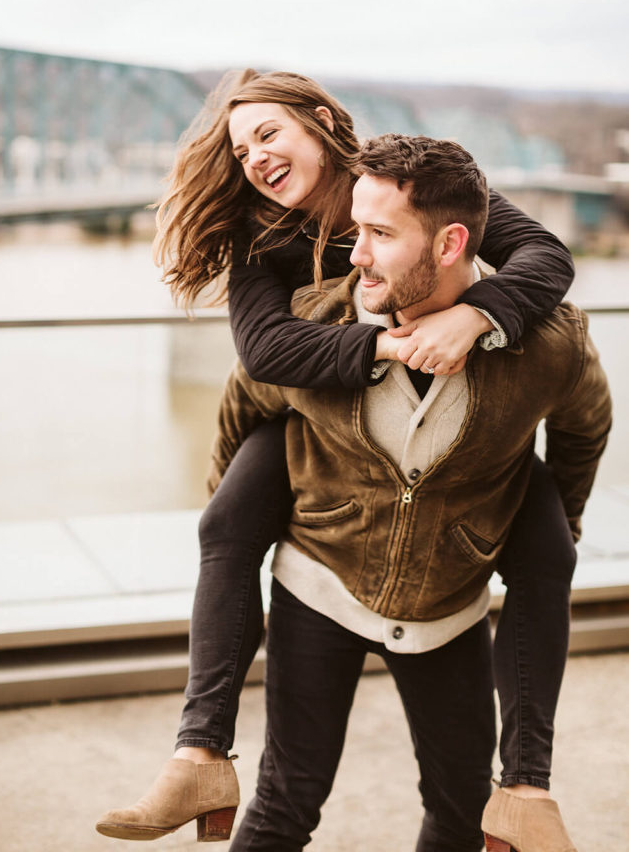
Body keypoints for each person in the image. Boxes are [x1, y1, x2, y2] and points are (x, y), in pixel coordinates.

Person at [95, 73, 583, 847]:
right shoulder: (257, 233)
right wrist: (389, 344)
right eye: (238, 146)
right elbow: (263, 353)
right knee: (226, 521)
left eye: (267, 134)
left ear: (321, 124)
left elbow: (544, 255)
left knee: (546, 539)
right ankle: (198, 752)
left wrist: (474, 316)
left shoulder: (401, 186)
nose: (253, 156)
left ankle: (526, 788)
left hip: (445, 429)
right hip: (311, 412)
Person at [207, 134, 611, 851]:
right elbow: (242, 418)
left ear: (451, 241)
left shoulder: (548, 343)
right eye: (354, 229)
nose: (352, 253)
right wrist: (238, 521)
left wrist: (547, 522)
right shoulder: (308, 322)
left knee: (460, 811)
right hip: (317, 583)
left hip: (447, 604)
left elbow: (584, 428)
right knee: (282, 806)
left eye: (379, 234)